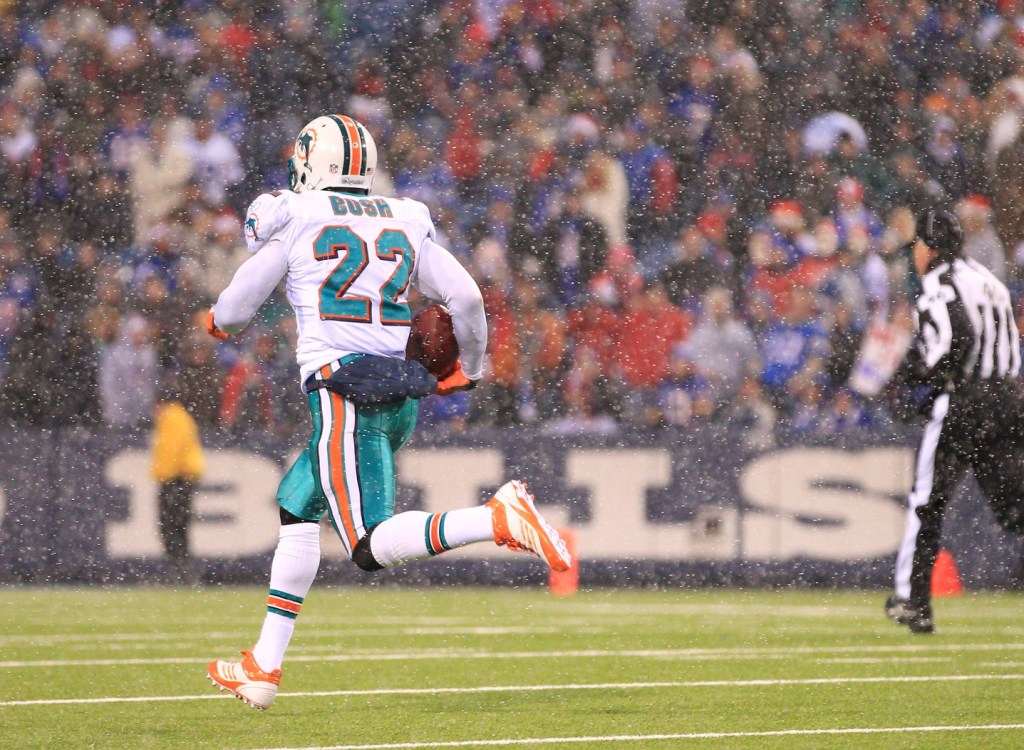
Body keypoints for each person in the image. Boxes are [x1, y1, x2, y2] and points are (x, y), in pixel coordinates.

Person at [205, 115, 571, 709]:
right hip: (397, 396)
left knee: (368, 546)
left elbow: (237, 304)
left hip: (344, 392)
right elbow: (465, 297)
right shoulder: (405, 215)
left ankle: (496, 518)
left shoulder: (295, 213)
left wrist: (218, 321)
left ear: (311, 161)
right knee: (296, 503)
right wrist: (471, 368)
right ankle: (262, 666)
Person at [885, 209, 1024, 634]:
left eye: (917, 246)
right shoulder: (988, 278)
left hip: (967, 401)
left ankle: (914, 601)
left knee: (927, 503)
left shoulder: (938, 282)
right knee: (1015, 510)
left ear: (929, 247)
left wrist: (920, 377)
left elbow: (954, 335)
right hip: (1009, 398)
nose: (915, 255)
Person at [150, 377, 205, 584]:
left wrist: (163, 477)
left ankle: (180, 572)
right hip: (183, 479)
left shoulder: (171, 418)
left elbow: (169, 451)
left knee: (171, 529)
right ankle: (184, 572)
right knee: (180, 528)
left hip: (176, 480)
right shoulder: (180, 416)